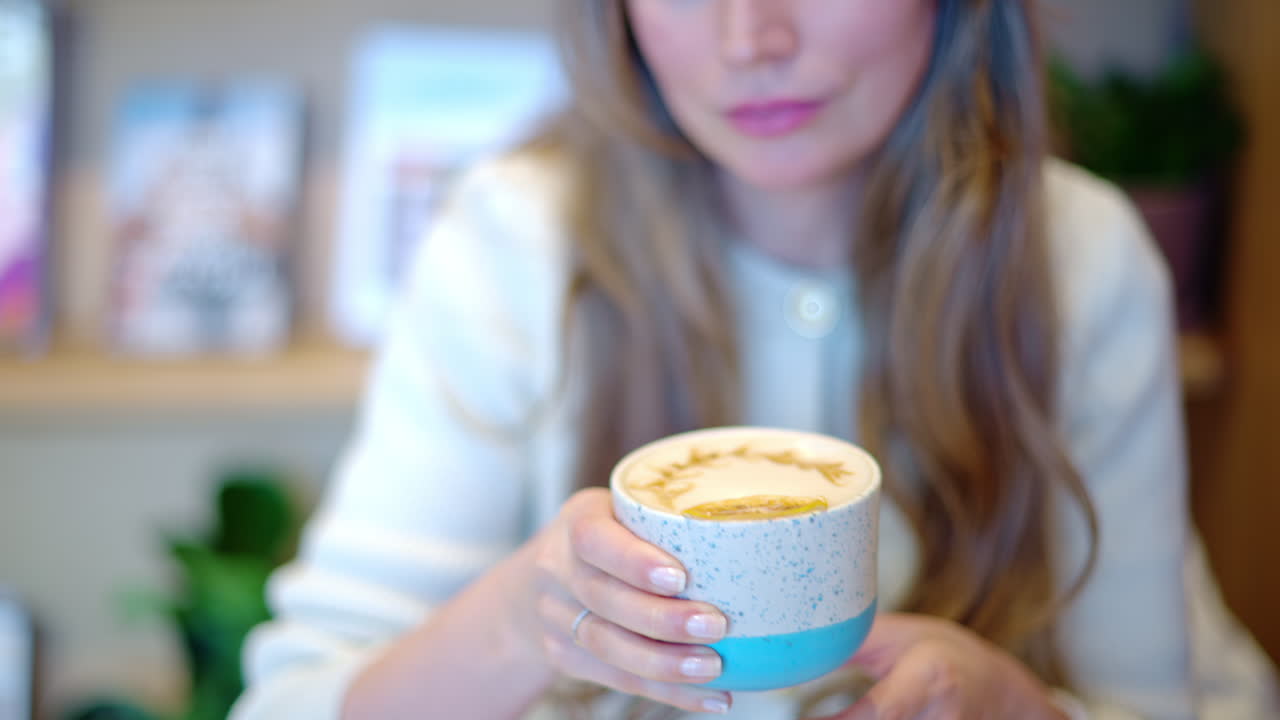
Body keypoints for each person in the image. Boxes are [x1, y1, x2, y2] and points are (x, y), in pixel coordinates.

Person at [232, 1, 1280, 718]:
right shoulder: (513, 242)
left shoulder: (1077, 262)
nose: (749, 37)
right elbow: (291, 701)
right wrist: (521, 621)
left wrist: (1016, 704)